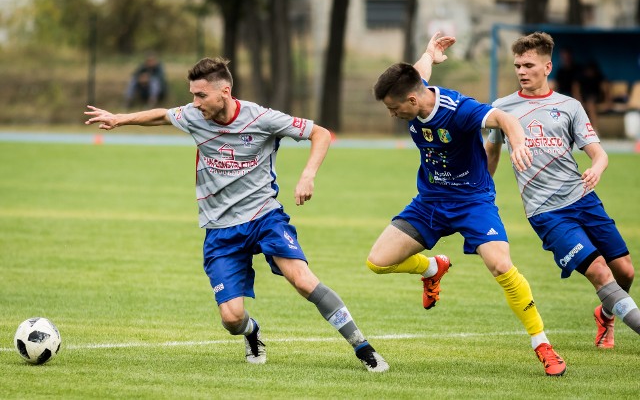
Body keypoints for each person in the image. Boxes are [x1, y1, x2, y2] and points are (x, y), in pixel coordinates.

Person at [85, 57, 389, 372]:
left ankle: (363, 348)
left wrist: (308, 175)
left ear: (225, 92)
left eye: (201, 95)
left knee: (302, 280)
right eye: (192, 95)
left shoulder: (262, 118)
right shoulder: (194, 116)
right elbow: (161, 115)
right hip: (220, 229)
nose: (194, 102)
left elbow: (321, 134)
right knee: (231, 320)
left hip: (264, 218)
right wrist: (119, 119)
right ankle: (252, 332)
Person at [368, 32, 567, 377]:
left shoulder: (459, 111)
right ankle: (433, 268)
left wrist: (518, 144)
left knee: (501, 266)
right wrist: (429, 52)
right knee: (377, 262)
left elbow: (504, 119)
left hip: (472, 201)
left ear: (412, 101)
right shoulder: (416, 90)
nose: (392, 114)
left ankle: (542, 344)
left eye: (393, 108)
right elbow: (418, 73)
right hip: (430, 201)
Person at [484, 31, 639, 349]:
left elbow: (599, 152)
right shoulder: (502, 108)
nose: (522, 72)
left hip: (583, 199)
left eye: (528, 65)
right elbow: (492, 152)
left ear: (547, 67)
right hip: (546, 211)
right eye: (517, 65)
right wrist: (481, 193)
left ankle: (606, 314)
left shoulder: (569, 106)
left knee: (624, 271)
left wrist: (595, 168)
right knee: (598, 270)